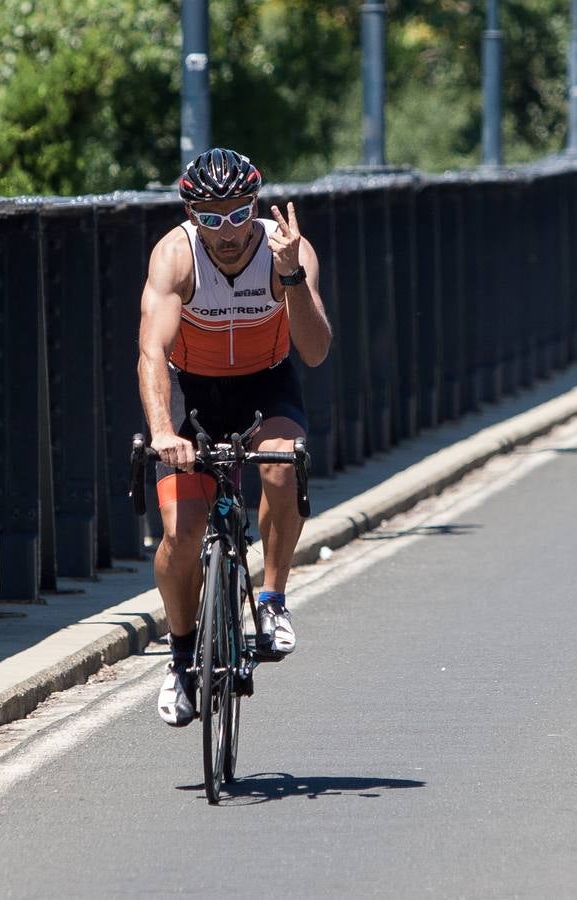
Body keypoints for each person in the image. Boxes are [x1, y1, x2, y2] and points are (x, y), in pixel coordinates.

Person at [139, 148, 333, 726]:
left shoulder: (285, 250)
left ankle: (271, 600)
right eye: (211, 217)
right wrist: (161, 431)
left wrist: (293, 275)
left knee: (281, 463)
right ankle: (179, 659)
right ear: (192, 213)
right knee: (181, 531)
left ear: (257, 205)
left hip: (265, 384)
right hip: (191, 389)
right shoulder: (175, 257)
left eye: (239, 213)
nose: (227, 231)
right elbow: (151, 353)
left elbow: (316, 352)